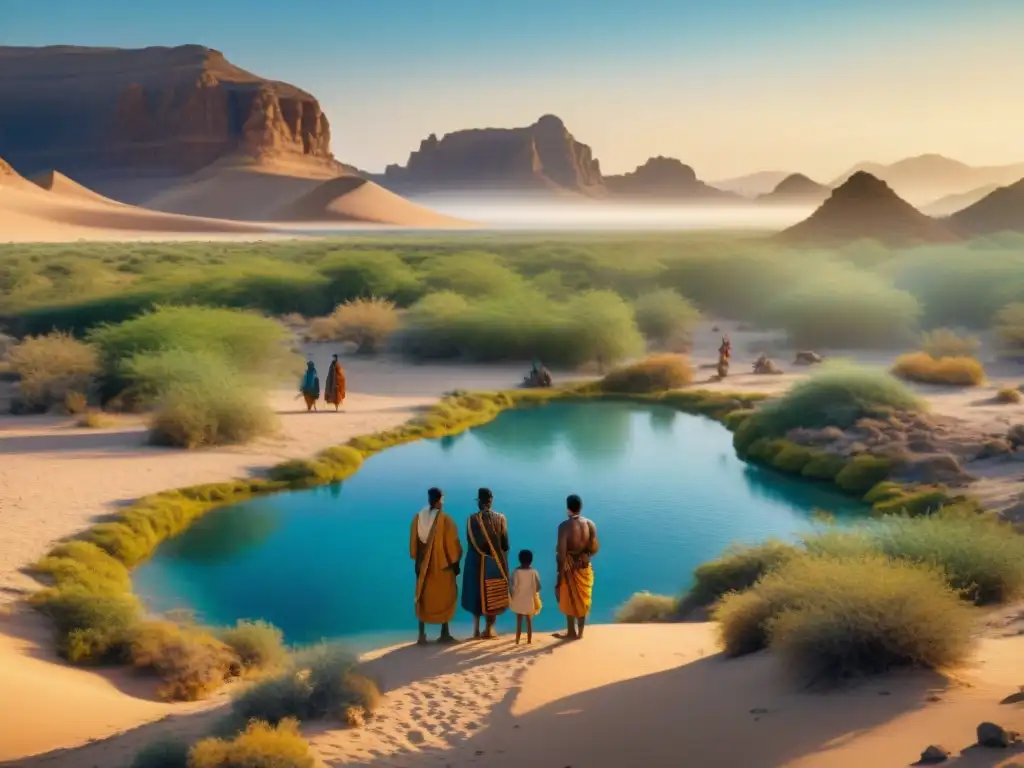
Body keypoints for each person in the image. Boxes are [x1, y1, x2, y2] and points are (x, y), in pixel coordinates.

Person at [410, 487, 462, 645]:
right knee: (445, 596)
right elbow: (453, 545)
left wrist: (418, 562)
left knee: (423, 597)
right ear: (439, 500)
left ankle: (421, 635)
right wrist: (456, 563)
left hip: (423, 566)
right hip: (442, 567)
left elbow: (413, 546)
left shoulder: (418, 518)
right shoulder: (445, 520)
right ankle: (444, 633)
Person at [462, 488, 510, 639]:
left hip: (476, 562)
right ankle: (489, 630)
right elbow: (505, 545)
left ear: (478, 501)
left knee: (475, 594)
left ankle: (475, 631)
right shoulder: (501, 519)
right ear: (491, 501)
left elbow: (470, 542)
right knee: (493, 594)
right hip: (495, 561)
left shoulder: (471, 520)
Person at [555, 494, 599, 640]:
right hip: (584, 568)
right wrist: (586, 555)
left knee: (569, 598)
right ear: (580, 507)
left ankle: (571, 632)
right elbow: (594, 547)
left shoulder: (564, 527)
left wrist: (558, 578)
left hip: (569, 568)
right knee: (583, 599)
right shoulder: (590, 524)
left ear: (568, 508)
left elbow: (561, 555)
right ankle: (580, 632)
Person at [510, 549, 542, 645]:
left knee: (519, 620)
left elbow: (513, 586)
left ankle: (517, 640)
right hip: (530, 600)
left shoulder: (516, 572)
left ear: (519, 560)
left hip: (518, 599)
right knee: (529, 620)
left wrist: (512, 595)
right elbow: (538, 587)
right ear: (531, 560)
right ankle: (529, 640)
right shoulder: (534, 572)